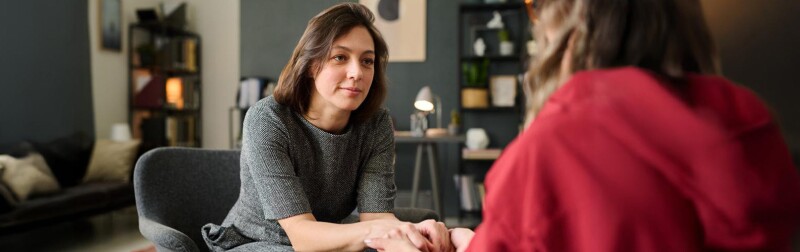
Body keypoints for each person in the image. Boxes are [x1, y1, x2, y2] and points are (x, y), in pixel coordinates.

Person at [366, 0, 800, 251]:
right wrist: (471, 239)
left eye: (537, 7)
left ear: (570, 20)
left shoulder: (556, 146)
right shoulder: (751, 125)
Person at [202, 3, 449, 251]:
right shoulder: (267, 120)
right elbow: (302, 235)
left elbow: (376, 217)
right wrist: (381, 233)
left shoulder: (376, 123)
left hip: (330, 237)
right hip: (257, 242)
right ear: (311, 64)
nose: (357, 73)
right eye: (340, 57)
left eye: (367, 61)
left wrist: (412, 236)